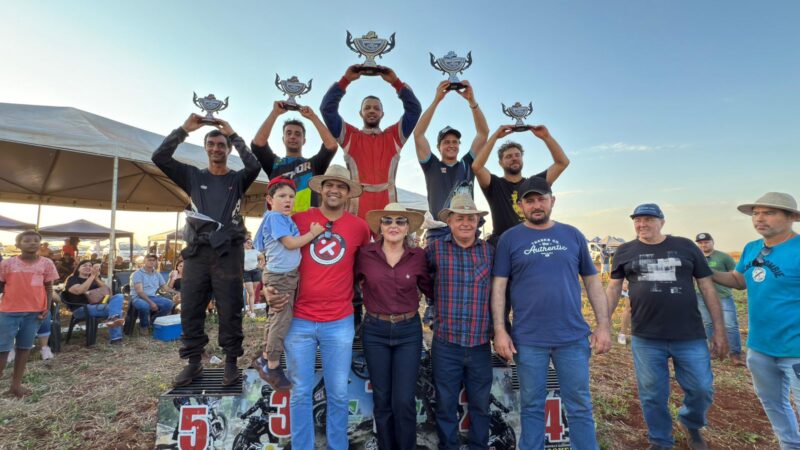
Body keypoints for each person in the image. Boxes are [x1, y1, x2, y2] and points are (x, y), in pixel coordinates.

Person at [491, 177, 612, 450]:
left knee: (579, 405)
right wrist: (500, 329)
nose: (536, 205)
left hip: (572, 337)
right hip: (528, 339)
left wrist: (604, 325)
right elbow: (499, 287)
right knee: (532, 406)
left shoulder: (573, 235)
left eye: (541, 199)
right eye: (529, 200)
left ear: (552, 200)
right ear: (520, 205)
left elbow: (592, 282)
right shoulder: (510, 239)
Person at [606, 203, 728, 450]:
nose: (642, 224)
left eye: (649, 219)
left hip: (689, 335)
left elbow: (706, 287)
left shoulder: (685, 246)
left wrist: (720, 330)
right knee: (652, 393)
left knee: (701, 388)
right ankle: (660, 440)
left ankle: (691, 423)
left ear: (662, 221)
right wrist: (602, 324)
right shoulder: (625, 251)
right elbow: (614, 288)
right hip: (646, 336)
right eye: (637, 220)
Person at [266, 165, 371, 450]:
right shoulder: (298, 220)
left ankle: (339, 447)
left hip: (339, 320)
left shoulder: (359, 227)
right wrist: (267, 287)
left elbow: (369, 267)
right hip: (298, 319)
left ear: (348, 193)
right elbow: (273, 254)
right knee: (300, 391)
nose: (334, 190)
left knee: (337, 392)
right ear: (320, 190)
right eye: (329, 185)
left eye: (340, 186)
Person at [152, 113, 259, 387]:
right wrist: (184, 129)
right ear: (205, 148)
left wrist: (233, 132)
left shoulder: (238, 179)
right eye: (211, 144)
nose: (215, 149)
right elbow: (160, 158)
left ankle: (231, 363)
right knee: (191, 307)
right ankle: (193, 363)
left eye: (221, 145)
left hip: (228, 253)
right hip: (198, 253)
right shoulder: (192, 175)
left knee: (230, 307)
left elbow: (254, 164)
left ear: (228, 149)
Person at [710, 192, 800, 449]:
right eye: (756, 213)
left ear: (792, 217)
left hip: (795, 350)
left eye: (769, 213)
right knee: (773, 403)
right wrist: (704, 270)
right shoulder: (752, 248)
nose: (759, 219)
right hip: (760, 347)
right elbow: (739, 281)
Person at [356, 203, 432, 449]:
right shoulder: (365, 254)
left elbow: (431, 289)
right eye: (387, 220)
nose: (393, 226)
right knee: (382, 399)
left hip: (408, 331)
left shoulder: (418, 256)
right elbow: (346, 286)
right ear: (380, 226)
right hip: (375, 332)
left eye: (400, 221)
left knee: (404, 400)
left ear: (408, 227)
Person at [425, 194, 494, 449]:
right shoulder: (434, 249)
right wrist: (433, 312)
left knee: (481, 405)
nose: (465, 223)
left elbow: (499, 293)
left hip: (479, 344)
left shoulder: (489, 252)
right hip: (446, 343)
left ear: (478, 221)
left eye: (470, 218)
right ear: (450, 221)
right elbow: (424, 282)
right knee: (445, 405)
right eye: (459, 218)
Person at [320, 64, 421, 218]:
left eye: (376, 108)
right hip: (356, 209)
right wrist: (345, 80)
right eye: (367, 108)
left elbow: (414, 110)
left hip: (388, 209)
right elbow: (327, 109)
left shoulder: (394, 136)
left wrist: (396, 82)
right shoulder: (349, 136)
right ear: (361, 113)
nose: (372, 111)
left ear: (382, 113)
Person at [252, 177, 325, 391]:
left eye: (291, 197)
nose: (288, 201)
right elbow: (290, 243)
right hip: (281, 277)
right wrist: (313, 234)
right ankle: (272, 365)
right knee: (282, 320)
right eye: (282, 196)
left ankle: (265, 356)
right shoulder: (275, 217)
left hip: (284, 275)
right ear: (270, 199)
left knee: (276, 317)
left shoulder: (280, 218)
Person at [413, 80, 488, 241]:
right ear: (438, 146)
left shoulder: (467, 164)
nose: (451, 145)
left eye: (455, 142)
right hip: (439, 232)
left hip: (467, 230)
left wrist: (472, 102)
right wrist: (436, 101)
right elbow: (418, 134)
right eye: (446, 142)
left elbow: (483, 134)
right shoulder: (431, 165)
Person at [472, 124, 570, 247]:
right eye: (508, 156)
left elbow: (562, 163)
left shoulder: (535, 184)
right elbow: (477, 166)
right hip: (503, 244)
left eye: (517, 155)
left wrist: (546, 137)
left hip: (532, 243)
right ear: (500, 163)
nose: (514, 158)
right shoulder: (494, 184)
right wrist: (495, 136)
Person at [0, 231, 59, 397]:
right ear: (18, 245)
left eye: (36, 241)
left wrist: (47, 307)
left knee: (24, 348)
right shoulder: (7, 264)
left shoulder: (46, 264)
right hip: (8, 311)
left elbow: (48, 287)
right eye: (27, 241)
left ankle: (15, 386)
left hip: (34, 312)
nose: (32, 243)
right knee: (2, 349)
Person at [251, 102, 338, 213]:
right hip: (277, 224)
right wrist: (274, 113)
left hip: (307, 226)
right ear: (283, 139)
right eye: (289, 133)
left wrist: (313, 117)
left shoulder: (314, 164)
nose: (293, 136)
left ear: (304, 140)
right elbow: (257, 144)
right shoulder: (274, 163)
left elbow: (331, 145)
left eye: (298, 134)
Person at [693, 232, 743, 365]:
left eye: (706, 242)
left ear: (712, 242)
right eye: (701, 243)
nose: (703, 245)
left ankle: (735, 354)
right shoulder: (696, 258)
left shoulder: (724, 257)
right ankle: (715, 350)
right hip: (702, 297)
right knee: (708, 324)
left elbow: (735, 275)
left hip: (723, 296)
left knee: (730, 325)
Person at [64, 260, 126, 344]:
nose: (88, 267)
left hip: (99, 306)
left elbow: (108, 293)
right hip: (81, 309)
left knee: (119, 296)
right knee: (117, 311)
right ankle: (115, 336)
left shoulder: (94, 279)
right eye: (84, 265)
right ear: (78, 269)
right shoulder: (72, 279)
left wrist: (96, 278)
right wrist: (92, 276)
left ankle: (113, 319)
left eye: (90, 266)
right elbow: (79, 290)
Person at [130, 254, 175, 332]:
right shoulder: (137, 274)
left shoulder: (157, 274)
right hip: (138, 297)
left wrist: (177, 292)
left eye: (154, 260)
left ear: (156, 262)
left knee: (169, 303)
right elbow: (140, 292)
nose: (152, 262)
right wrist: (151, 303)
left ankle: (153, 321)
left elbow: (166, 288)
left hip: (152, 297)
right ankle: (143, 326)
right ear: (144, 261)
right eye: (149, 260)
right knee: (145, 305)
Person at [242, 238, 260, 319]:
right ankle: (252, 312)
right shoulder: (241, 252)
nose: (250, 244)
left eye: (251, 243)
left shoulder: (255, 251)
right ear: (244, 243)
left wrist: (261, 265)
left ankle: (249, 311)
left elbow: (262, 257)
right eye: (248, 242)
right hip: (246, 273)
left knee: (252, 293)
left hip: (256, 272)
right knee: (251, 292)